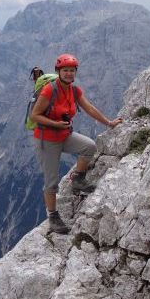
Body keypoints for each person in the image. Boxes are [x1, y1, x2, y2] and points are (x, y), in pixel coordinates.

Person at [30, 53, 122, 234]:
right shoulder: (50, 90)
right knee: (51, 182)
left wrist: (109, 123)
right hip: (47, 140)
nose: (69, 74)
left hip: (64, 136)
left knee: (89, 147)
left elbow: (89, 108)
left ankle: (78, 179)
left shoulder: (74, 91)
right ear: (58, 72)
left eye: (72, 71)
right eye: (65, 70)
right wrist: (56, 124)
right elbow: (35, 115)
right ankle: (53, 217)